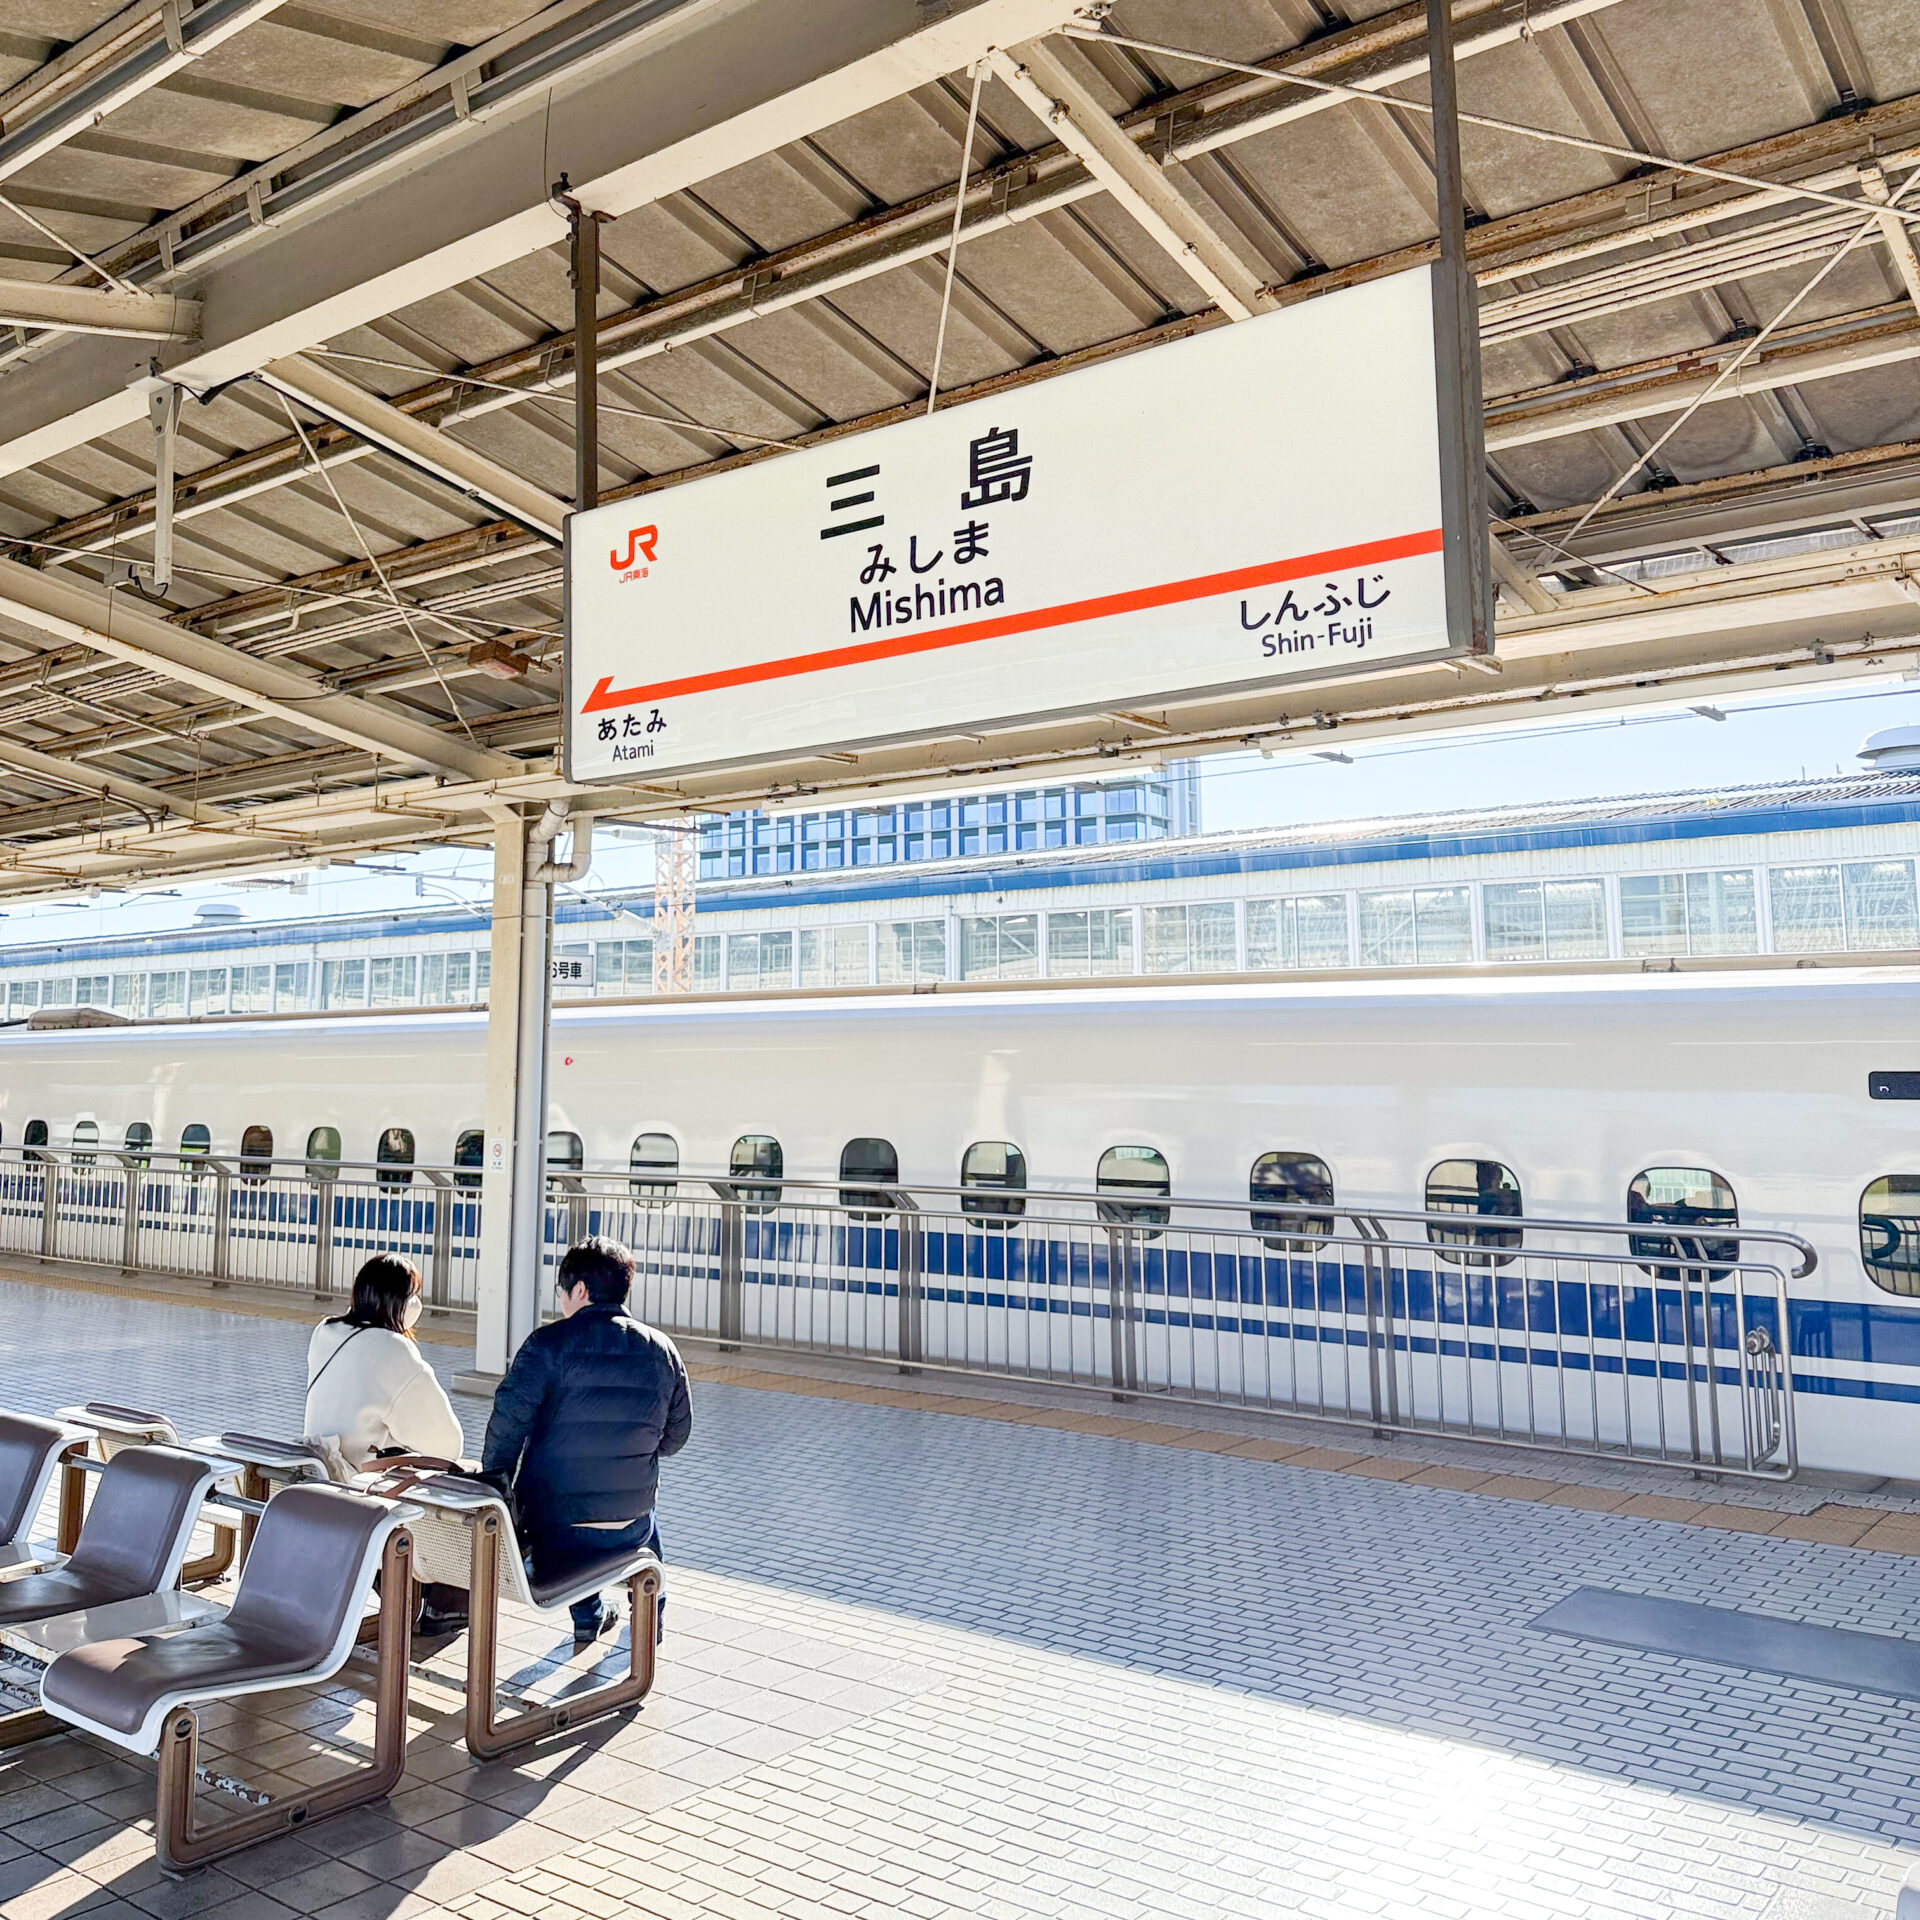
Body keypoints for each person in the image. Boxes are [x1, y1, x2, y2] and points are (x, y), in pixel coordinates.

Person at [481, 1235, 691, 1642]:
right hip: (630, 1525)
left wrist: (497, 1489)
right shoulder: (662, 1350)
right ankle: (651, 1621)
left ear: (579, 1290)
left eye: (562, 1291)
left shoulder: (546, 1345)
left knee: (570, 1510)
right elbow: (677, 1436)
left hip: (555, 1532)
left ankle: (588, 1614)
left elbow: (506, 1427)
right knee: (644, 1519)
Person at [305, 1252, 469, 1630]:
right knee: (464, 1478)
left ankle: (402, 1587)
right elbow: (448, 1444)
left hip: (322, 1478)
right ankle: (444, 1602)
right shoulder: (393, 1350)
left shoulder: (325, 1332)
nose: (418, 1306)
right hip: (361, 1493)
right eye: (413, 1297)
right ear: (397, 1302)